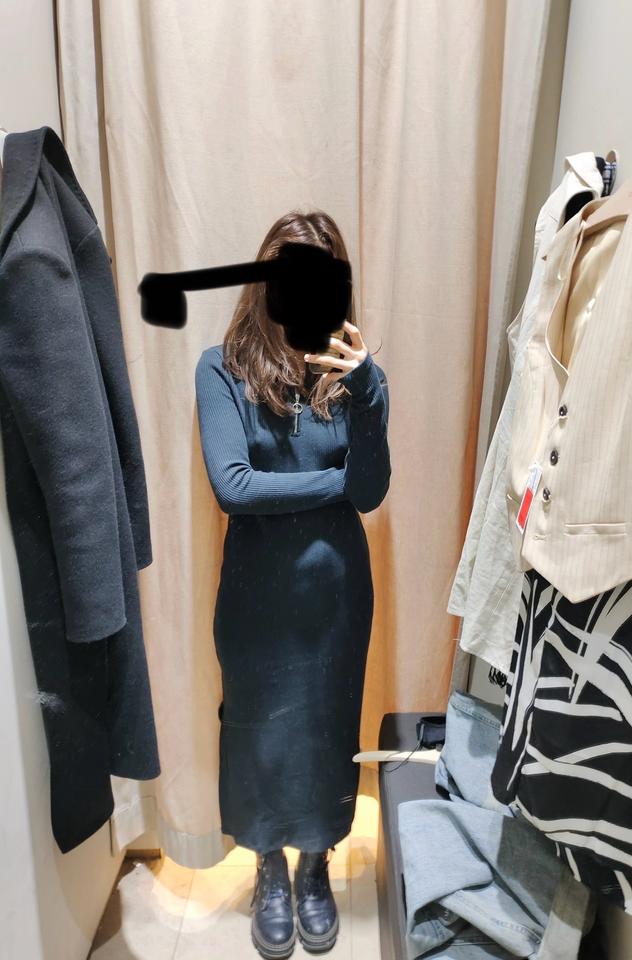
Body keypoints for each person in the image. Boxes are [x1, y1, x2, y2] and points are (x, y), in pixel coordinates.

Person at [195, 209, 390, 959]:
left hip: (336, 599)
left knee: (327, 732)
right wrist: (333, 483)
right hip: (256, 601)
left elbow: (370, 491)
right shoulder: (221, 369)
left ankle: (314, 866)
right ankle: (270, 869)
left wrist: (367, 392)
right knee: (256, 734)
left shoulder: (355, 378)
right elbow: (234, 487)